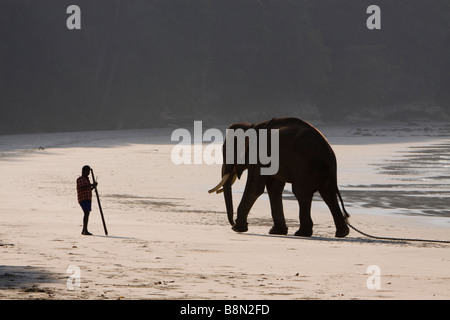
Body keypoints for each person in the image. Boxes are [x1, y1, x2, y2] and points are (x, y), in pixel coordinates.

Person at [76, 165, 97, 235]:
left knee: (87, 213)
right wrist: (91, 185)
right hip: (83, 198)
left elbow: (88, 189)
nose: (88, 173)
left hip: (88, 198)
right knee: (86, 213)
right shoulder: (80, 179)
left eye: (89, 171)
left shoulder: (87, 179)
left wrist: (93, 186)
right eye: (87, 171)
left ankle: (84, 230)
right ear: (83, 171)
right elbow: (82, 187)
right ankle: (85, 230)